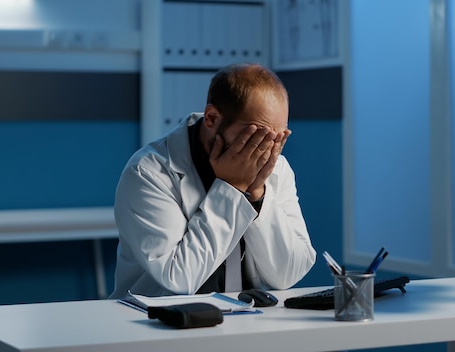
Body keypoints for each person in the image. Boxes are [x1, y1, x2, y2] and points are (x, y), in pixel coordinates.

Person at [109, 63, 316, 298]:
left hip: (244, 321)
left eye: (277, 138)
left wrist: (257, 193)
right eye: (255, 135)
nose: (267, 151)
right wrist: (232, 188)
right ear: (211, 118)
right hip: (159, 322)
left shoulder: (276, 167)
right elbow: (179, 279)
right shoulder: (148, 172)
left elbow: (288, 274)